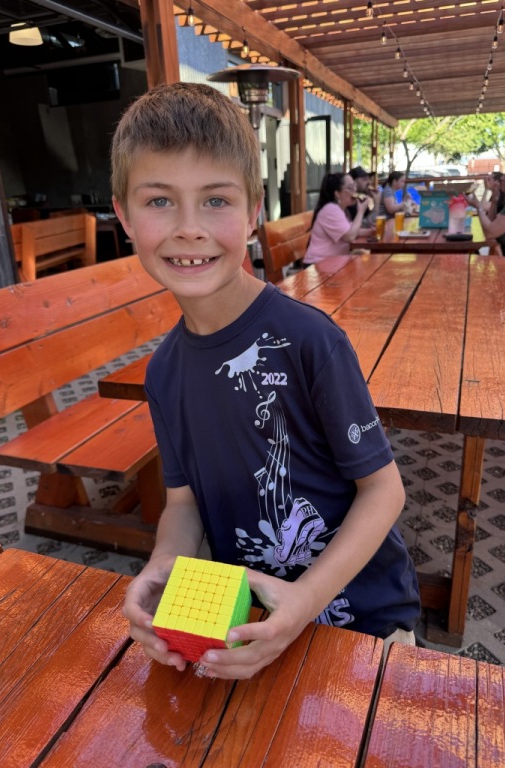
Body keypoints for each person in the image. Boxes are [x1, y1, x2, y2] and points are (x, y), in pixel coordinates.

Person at [112, 82, 420, 681]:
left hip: (364, 623)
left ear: (254, 211)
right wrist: (163, 564)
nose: (189, 228)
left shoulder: (309, 340)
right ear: (123, 214)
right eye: (159, 201)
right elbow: (183, 502)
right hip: (248, 625)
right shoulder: (164, 371)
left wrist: (303, 603)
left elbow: (384, 492)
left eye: (216, 200)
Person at [303, 172, 375, 264]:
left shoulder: (341, 210)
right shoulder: (331, 210)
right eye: (350, 187)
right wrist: (360, 212)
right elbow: (349, 237)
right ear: (337, 194)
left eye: (354, 186)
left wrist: (372, 231)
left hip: (331, 263)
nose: (354, 190)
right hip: (317, 264)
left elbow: (352, 231)